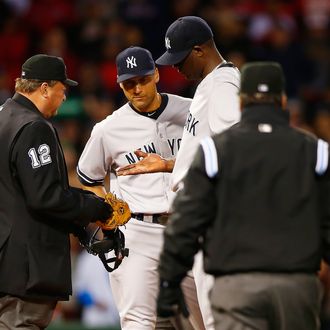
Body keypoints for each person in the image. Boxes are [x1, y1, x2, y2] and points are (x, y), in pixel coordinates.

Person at [156, 61, 330, 330]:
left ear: (240, 103)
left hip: (236, 284)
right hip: (294, 285)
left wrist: (169, 281)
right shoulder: (316, 152)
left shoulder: (215, 152)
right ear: (283, 101)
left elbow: (187, 223)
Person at [117, 16, 241, 329]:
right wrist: (173, 164)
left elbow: (238, 145)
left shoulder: (224, 83)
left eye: (180, 58)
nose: (175, 67)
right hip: (201, 211)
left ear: (200, 50)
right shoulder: (211, 83)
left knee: (216, 314)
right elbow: (212, 146)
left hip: (210, 212)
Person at [77, 46, 204, 330]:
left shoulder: (191, 112)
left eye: (142, 79)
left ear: (157, 74)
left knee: (203, 322)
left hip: (190, 228)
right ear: (120, 84)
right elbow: (88, 178)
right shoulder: (108, 129)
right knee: (137, 321)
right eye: (129, 83)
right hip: (138, 231)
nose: (136, 89)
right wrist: (109, 212)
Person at [0, 54, 113, 329]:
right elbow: (45, 197)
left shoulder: (4, 116)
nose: (64, 97)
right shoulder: (33, 126)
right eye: (63, 89)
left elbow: (26, 189)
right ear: (45, 88)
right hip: (25, 271)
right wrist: (96, 207)